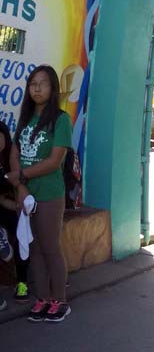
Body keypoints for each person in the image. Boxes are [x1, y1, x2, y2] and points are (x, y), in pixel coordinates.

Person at [3, 65, 72, 322]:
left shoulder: (61, 119)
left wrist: (21, 177)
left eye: (43, 83)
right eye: (33, 83)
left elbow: (54, 161)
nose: (37, 88)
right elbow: (14, 153)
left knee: (50, 248)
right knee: (34, 250)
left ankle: (60, 301)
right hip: (27, 195)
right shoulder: (26, 119)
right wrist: (20, 188)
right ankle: (42, 299)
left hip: (50, 194)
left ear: (53, 88)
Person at [0, 121, 30, 310]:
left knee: (22, 235)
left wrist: (15, 205)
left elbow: (19, 185)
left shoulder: (12, 157)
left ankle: (22, 283)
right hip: (3, 205)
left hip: (12, 208)